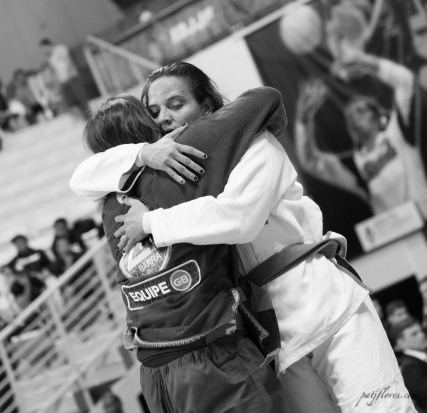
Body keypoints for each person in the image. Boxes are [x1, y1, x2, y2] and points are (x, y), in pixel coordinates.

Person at [71, 62, 414, 412]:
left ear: (207, 107)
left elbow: (240, 219)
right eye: (154, 112)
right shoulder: (177, 173)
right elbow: (82, 178)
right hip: (267, 332)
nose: (165, 119)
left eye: (176, 105)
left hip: (322, 299)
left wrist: (151, 223)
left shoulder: (255, 140)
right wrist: (143, 152)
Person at [78, 89, 290, 411]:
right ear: (147, 128)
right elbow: (266, 100)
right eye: (154, 112)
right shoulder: (187, 155)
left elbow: (81, 177)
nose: (164, 118)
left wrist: (138, 156)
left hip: (153, 374)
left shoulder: (109, 206)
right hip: (211, 355)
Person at [294, 49, 427, 217]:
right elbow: (311, 162)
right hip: (397, 235)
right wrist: (303, 122)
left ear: (378, 115)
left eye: (360, 110)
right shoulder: (356, 163)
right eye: (349, 116)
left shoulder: (398, 131)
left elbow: (406, 82)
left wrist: (367, 62)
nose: (354, 117)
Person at [39, 38, 89, 118]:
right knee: (69, 105)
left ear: (47, 45)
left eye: (43, 49)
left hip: (72, 79)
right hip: (64, 83)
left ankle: (88, 118)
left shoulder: (60, 49)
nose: (44, 51)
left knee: (82, 101)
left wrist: (69, 74)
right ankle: (82, 119)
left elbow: (68, 61)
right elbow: (55, 72)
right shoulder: (50, 59)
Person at [392, 318, 427, 411]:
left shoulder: (418, 360)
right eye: (414, 334)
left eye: (421, 331)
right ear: (401, 343)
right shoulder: (410, 368)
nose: (422, 335)